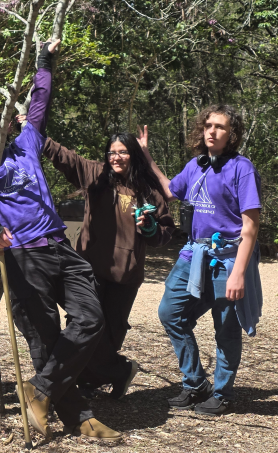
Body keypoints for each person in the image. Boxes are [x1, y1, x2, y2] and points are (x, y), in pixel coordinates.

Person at [0, 40, 121, 442]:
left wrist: (44, 61)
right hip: (22, 256)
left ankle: (40, 390)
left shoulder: (26, 143)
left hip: (58, 246)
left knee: (91, 319)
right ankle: (81, 417)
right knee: (43, 338)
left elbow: (40, 101)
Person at [140, 105, 262, 416]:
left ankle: (221, 393)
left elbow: (251, 225)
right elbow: (170, 190)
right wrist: (147, 157)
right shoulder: (196, 165)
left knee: (225, 329)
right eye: (208, 125)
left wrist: (238, 273)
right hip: (194, 253)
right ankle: (195, 383)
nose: (212, 131)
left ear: (231, 134)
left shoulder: (241, 168)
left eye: (220, 127)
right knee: (170, 313)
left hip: (227, 258)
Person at [41, 131, 175, 398]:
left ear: (133, 155)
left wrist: (150, 229)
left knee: (109, 338)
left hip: (126, 275)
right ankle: (119, 371)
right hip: (89, 270)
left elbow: (166, 232)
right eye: (112, 152)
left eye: (123, 152)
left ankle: (95, 378)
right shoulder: (96, 174)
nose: (116, 158)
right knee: (82, 329)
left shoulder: (149, 190)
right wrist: (35, 133)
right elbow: (64, 156)